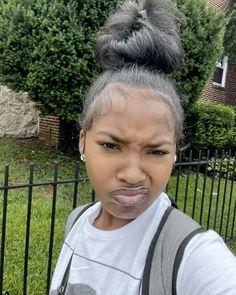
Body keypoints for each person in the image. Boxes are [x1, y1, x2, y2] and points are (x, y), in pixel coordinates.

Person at [49, 0, 236, 294]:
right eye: (111, 145)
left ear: (175, 151)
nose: (133, 174)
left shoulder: (190, 253)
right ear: (83, 140)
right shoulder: (77, 221)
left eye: (156, 151)